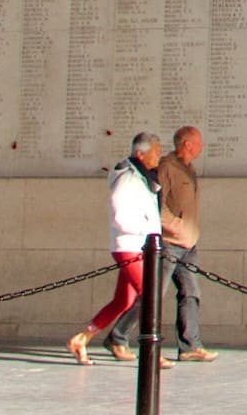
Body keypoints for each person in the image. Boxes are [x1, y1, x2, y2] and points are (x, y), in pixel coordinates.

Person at [103, 126, 219, 363]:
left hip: (188, 244)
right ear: (186, 144)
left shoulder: (189, 169)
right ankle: (119, 336)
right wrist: (173, 225)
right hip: (168, 243)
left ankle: (189, 346)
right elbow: (157, 203)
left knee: (191, 293)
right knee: (152, 295)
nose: (201, 147)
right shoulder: (166, 167)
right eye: (197, 142)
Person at [67, 133, 173, 369]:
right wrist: (145, 231)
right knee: (150, 296)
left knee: (123, 300)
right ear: (140, 154)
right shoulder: (128, 179)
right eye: (155, 151)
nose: (159, 156)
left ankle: (81, 338)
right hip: (129, 245)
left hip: (138, 245)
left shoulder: (143, 178)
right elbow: (118, 214)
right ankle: (152, 351)